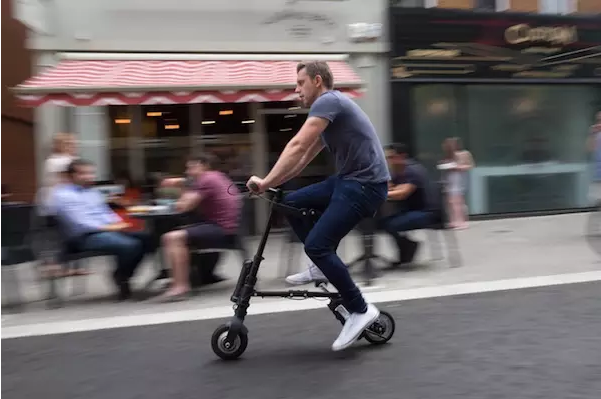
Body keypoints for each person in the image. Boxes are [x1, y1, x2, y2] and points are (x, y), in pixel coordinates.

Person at [246, 61, 390, 351]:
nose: (296, 89)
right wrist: (273, 186)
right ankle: (320, 266)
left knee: (318, 245)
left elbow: (297, 145)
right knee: (289, 202)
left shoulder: (329, 101)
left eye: (300, 83)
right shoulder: (329, 115)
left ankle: (361, 309)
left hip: (366, 185)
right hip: (348, 180)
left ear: (318, 80)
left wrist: (263, 182)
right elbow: (301, 161)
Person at [52, 159, 153, 300]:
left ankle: (123, 274)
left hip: (105, 231)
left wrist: (118, 223)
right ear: (71, 176)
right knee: (130, 245)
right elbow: (79, 223)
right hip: (82, 237)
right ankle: (121, 277)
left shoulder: (93, 193)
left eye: (91, 173)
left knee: (149, 240)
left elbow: (106, 213)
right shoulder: (63, 195)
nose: (89, 177)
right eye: (83, 173)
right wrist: (109, 227)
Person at [159, 153, 242, 301]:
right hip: (230, 227)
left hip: (222, 230)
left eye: (191, 167)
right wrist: (184, 185)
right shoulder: (218, 176)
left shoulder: (206, 179)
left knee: (172, 237)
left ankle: (180, 286)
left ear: (204, 165)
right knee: (182, 231)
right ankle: (188, 278)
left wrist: (180, 188)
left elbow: (183, 206)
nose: (187, 172)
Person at [379, 143, 435, 266]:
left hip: (425, 212)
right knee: (380, 222)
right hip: (409, 210)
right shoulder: (397, 171)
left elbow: (402, 193)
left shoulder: (412, 170)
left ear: (402, 156)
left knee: (388, 224)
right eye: (387, 157)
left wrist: (380, 193)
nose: (389, 160)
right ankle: (408, 246)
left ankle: (408, 247)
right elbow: (390, 187)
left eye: (392, 157)